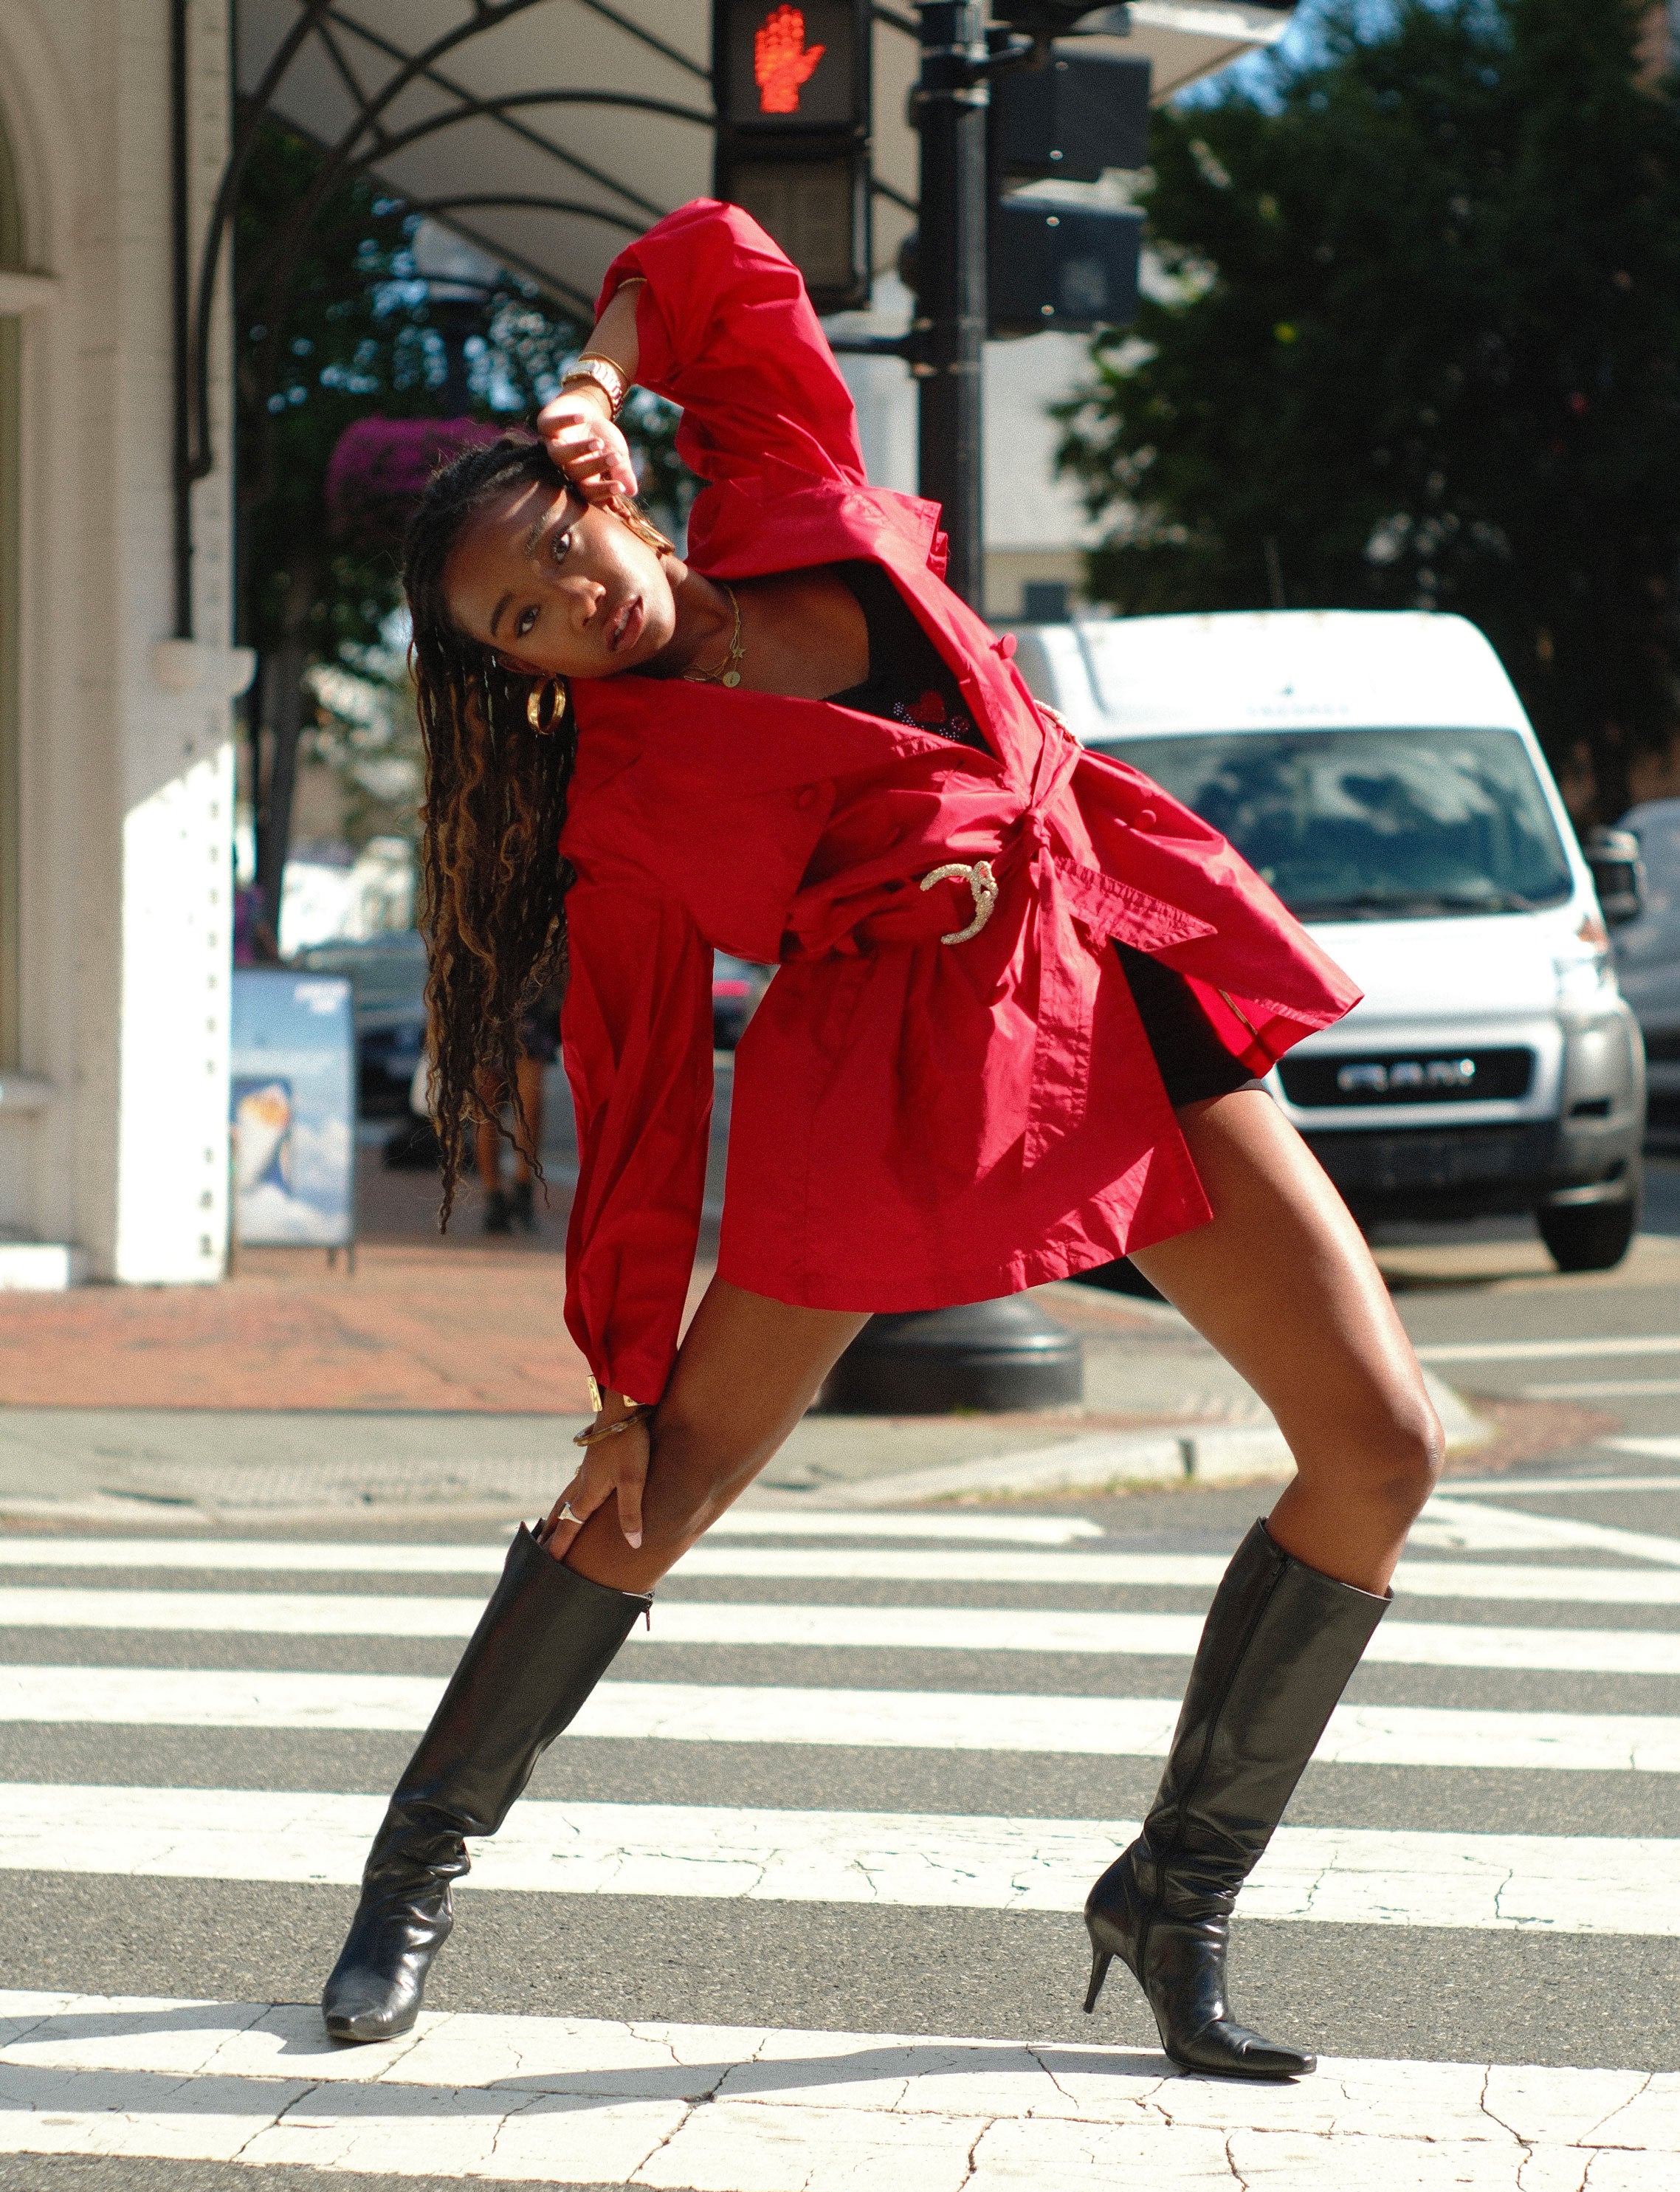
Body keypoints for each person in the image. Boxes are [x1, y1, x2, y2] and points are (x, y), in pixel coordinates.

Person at [321, 202, 1442, 2078]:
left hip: (1101, 970)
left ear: (611, 500)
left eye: (560, 553)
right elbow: (639, 1088)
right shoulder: (625, 803)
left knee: (1383, 1446)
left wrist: (595, 372)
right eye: (521, 624)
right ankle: (411, 1870)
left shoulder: (784, 493)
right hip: (884, 1073)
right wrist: (621, 1370)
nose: (570, 609)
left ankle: (1174, 1895)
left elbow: (717, 256)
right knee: (661, 1483)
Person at [474, 983, 561, 1233]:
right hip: (483, 1004)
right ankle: (494, 1198)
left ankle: (522, 1193)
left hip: (526, 1003)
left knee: (529, 1108)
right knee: (487, 1110)